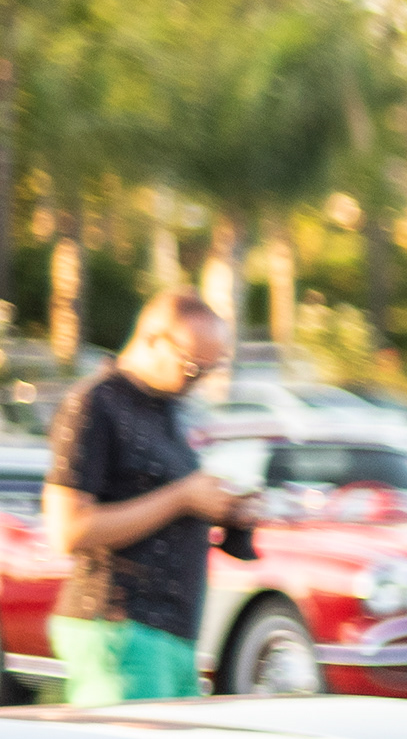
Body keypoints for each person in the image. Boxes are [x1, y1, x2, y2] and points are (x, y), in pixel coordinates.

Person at [42, 291, 256, 706]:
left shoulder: (167, 408)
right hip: (119, 627)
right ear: (153, 340)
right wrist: (181, 498)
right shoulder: (94, 404)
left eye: (211, 369)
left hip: (171, 633)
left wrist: (225, 510)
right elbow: (67, 529)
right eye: (193, 368)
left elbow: (161, 502)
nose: (199, 381)